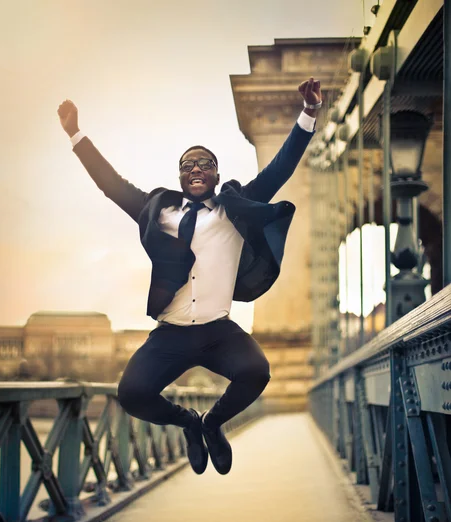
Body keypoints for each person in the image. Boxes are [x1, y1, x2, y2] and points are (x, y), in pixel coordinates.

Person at [57, 78, 322, 476]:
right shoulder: (157, 211)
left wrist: (309, 113)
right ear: (181, 177)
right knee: (132, 393)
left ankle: (213, 423)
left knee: (256, 371)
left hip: (218, 331)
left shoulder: (235, 209)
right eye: (188, 165)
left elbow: (281, 167)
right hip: (172, 332)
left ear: (216, 175)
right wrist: (76, 134)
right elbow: (110, 184)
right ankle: (189, 423)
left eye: (205, 164)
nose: (196, 168)